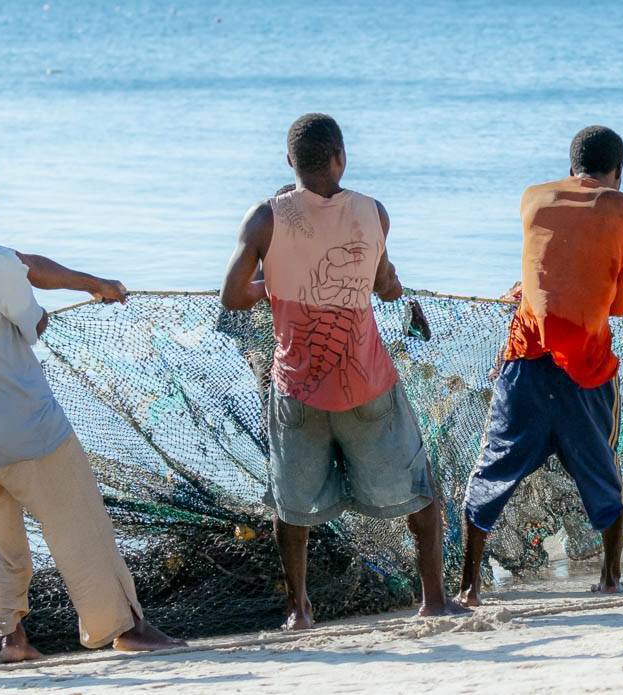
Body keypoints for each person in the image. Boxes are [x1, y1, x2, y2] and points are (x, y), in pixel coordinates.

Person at [0, 151, 185, 662]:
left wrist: (93, 284)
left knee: (4, 544)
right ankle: (125, 627)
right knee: (83, 529)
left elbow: (23, 265)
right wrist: (46, 307)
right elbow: (32, 324)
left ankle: (11, 638)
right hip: (28, 431)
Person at [220, 113, 464, 628]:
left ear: (290, 162)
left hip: (298, 388)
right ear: (340, 159)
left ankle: (299, 610)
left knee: (292, 505)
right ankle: (434, 599)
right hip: (366, 384)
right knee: (421, 490)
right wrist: (391, 285)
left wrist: (275, 282)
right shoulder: (374, 212)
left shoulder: (263, 219)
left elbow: (232, 297)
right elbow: (382, 282)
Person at [458, 125, 623, 604]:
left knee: (492, 471)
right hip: (584, 368)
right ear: (618, 174)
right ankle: (609, 576)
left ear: (570, 169)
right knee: (603, 470)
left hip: (525, 361)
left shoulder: (532, 198)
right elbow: (616, 302)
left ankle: (470, 587)